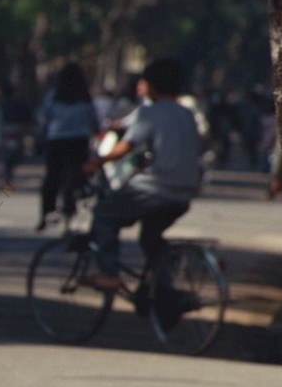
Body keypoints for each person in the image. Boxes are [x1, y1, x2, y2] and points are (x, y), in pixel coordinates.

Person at [81, 57, 202, 290]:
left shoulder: (150, 113)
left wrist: (96, 162)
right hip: (184, 192)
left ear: (153, 84)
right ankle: (163, 289)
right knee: (150, 239)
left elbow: (126, 147)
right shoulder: (187, 114)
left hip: (155, 189)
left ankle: (109, 273)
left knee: (104, 215)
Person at [36, 62, 100, 231]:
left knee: (52, 178)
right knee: (74, 178)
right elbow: (93, 120)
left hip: (56, 140)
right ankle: (69, 213)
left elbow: (44, 117)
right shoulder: (85, 97)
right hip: (78, 141)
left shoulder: (54, 96)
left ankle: (45, 213)